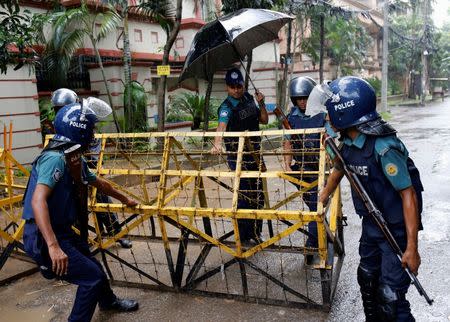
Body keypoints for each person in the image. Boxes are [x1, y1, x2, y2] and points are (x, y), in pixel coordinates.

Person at [22, 101, 139, 321]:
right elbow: (38, 202)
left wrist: (125, 199)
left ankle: (108, 302)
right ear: (80, 129)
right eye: (91, 129)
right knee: (91, 277)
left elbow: (99, 183)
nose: (93, 134)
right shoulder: (55, 159)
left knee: (91, 264)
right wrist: (54, 247)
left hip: (62, 231)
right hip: (44, 235)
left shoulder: (72, 157)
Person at [318, 76, 423, 322]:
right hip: (372, 226)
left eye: (330, 112)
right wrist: (321, 198)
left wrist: (412, 248)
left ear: (344, 113)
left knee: (390, 298)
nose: (327, 118)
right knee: (367, 280)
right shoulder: (347, 144)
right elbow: (337, 171)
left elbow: (408, 194)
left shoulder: (383, 147)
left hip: (395, 231)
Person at [49, 89, 132, 248]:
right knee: (72, 206)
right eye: (57, 109)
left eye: (62, 109)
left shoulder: (82, 122)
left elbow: (93, 154)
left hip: (86, 171)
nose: (59, 112)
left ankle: (117, 233)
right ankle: (81, 239)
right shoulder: (57, 125)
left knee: (101, 197)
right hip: (68, 174)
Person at [211, 68, 268, 244]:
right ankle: (243, 237)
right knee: (244, 196)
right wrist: (218, 143)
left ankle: (256, 232)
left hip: (255, 154)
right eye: (232, 87)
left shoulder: (250, 99)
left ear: (243, 85)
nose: (236, 90)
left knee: (258, 195)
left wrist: (262, 103)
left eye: (239, 86)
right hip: (238, 157)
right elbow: (221, 126)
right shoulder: (226, 107)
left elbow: (264, 120)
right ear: (227, 88)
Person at [283, 76, 326, 262]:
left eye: (305, 97)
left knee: (315, 205)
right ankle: (317, 236)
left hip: (319, 166)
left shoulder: (322, 115)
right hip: (301, 168)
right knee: (311, 204)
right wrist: (287, 166)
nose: (302, 101)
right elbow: (287, 143)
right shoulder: (290, 118)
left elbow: (329, 139)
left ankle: (313, 243)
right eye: (298, 98)